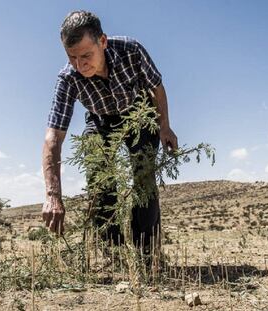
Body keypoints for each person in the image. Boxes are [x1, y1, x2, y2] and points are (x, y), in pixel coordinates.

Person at [42, 10, 178, 250]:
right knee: (99, 179)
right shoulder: (67, 78)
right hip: (100, 119)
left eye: (86, 55)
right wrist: (53, 196)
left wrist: (164, 126)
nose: (79, 64)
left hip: (139, 113)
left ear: (102, 42)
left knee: (144, 178)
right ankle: (112, 251)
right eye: (72, 57)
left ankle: (145, 252)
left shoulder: (131, 50)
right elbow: (53, 138)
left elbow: (157, 87)